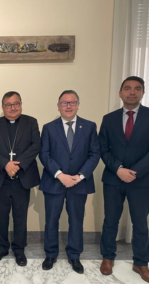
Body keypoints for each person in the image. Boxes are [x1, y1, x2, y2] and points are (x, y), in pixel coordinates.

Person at [99, 76, 149, 284]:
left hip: (141, 180)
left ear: (143, 93)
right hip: (113, 178)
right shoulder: (109, 119)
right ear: (120, 93)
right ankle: (108, 257)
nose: (132, 92)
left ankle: (141, 262)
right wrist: (118, 169)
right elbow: (103, 148)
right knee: (110, 220)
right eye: (127, 88)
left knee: (140, 222)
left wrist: (134, 171)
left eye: (137, 89)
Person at [39, 90, 100, 274]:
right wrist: (60, 175)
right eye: (64, 103)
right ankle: (50, 254)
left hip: (78, 183)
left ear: (78, 105)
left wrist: (79, 176)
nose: (68, 106)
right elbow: (44, 154)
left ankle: (74, 255)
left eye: (72, 102)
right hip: (54, 182)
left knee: (76, 220)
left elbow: (94, 154)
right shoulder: (49, 127)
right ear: (58, 106)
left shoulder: (89, 127)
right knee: (51, 221)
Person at [0, 91, 40, 266]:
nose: (12, 108)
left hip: (22, 177)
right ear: (2, 107)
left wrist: (17, 164)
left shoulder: (31, 122)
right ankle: (1, 247)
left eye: (16, 104)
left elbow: (36, 146)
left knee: (20, 216)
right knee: (0, 216)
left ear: (21, 104)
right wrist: (5, 164)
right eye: (8, 105)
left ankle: (19, 249)